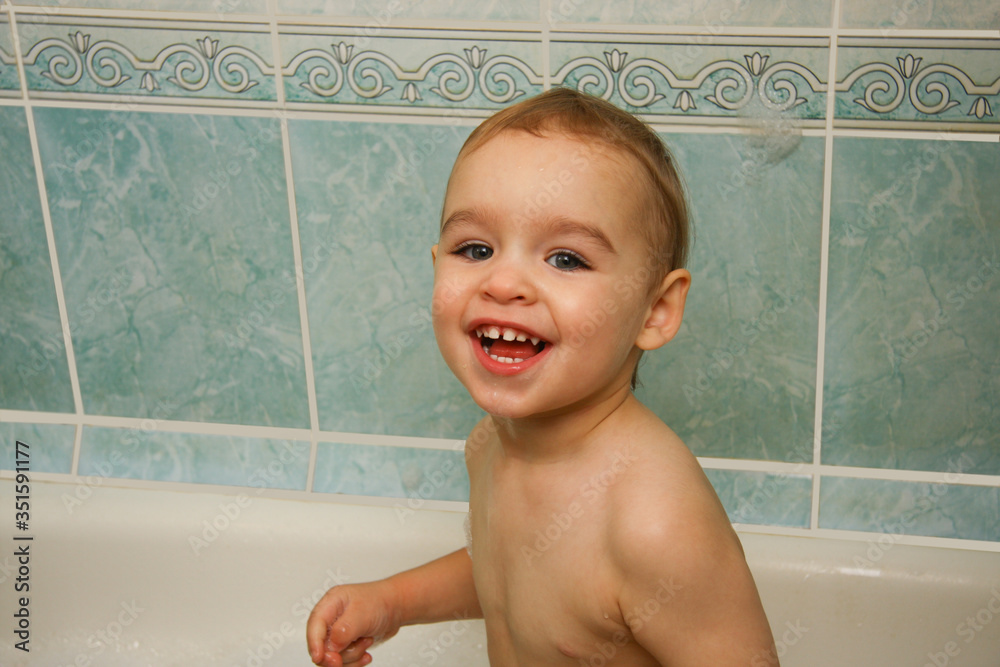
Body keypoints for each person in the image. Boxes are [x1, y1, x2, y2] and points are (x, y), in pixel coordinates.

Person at [307, 87, 777, 666]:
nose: (503, 283)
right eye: (475, 249)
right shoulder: (489, 445)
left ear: (655, 310)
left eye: (565, 259)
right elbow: (512, 576)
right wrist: (392, 602)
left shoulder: (653, 524)